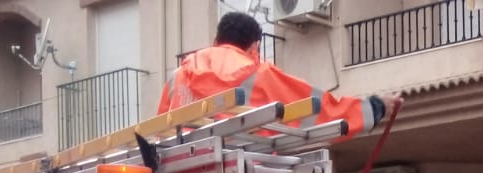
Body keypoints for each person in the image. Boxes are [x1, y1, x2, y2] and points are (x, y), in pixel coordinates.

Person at [160, 13, 403, 137]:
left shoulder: (179, 75)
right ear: (255, 47)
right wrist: (375, 106)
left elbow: (161, 130)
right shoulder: (259, 74)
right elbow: (318, 111)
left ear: (215, 41)